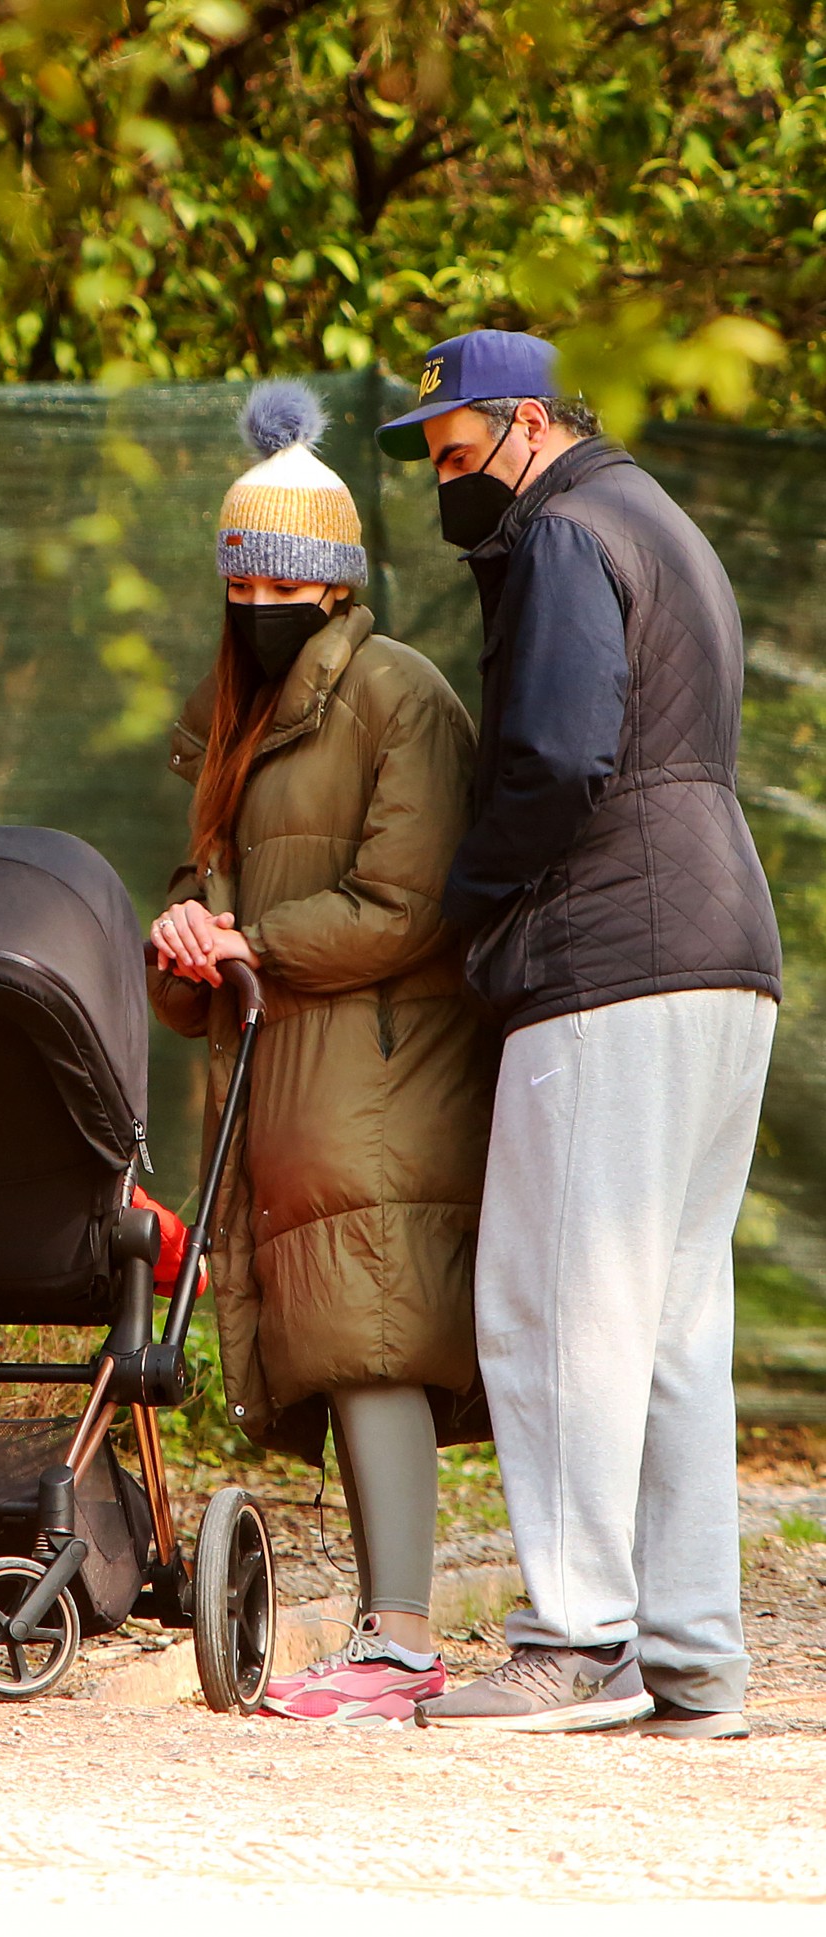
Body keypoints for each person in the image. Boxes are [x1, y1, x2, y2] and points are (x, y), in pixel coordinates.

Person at [376, 330, 781, 1740]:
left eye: (452, 451)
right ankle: (689, 1652)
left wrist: (469, 906)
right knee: (671, 1320)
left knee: (553, 1300)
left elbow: (554, 755)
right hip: (726, 954)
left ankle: (571, 1641)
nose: (444, 485)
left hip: (612, 949)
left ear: (525, 425)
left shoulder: (560, 532)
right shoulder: (655, 517)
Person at [148, 379, 497, 1726]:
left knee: (373, 1341)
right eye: (242, 591)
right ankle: (385, 1634)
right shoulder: (232, 713)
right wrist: (185, 950)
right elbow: (208, 890)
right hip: (283, 1069)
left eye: (287, 591)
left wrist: (248, 947)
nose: (260, 612)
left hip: (380, 1068)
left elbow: (409, 904)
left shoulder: (393, 696)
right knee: (350, 1348)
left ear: (338, 588)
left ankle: (402, 1642)